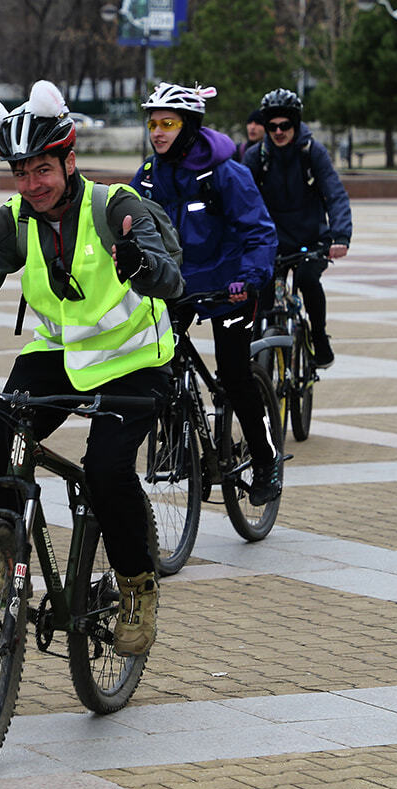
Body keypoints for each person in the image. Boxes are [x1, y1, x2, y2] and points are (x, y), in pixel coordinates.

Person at [0, 80, 183, 657]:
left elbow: (171, 278)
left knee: (105, 469)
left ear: (69, 161)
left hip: (131, 361)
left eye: (41, 170)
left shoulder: (116, 206)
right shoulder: (12, 220)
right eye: (20, 173)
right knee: (3, 428)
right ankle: (3, 560)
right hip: (59, 354)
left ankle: (136, 586)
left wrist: (141, 264)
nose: (31, 185)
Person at [130, 82, 281, 507]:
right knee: (159, 362)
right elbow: (123, 224)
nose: (157, 132)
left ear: (189, 126)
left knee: (234, 375)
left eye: (168, 123)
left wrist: (250, 278)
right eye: (153, 123)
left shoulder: (225, 174)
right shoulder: (147, 176)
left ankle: (265, 458)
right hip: (176, 286)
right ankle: (175, 436)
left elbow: (259, 232)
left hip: (229, 286)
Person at [243, 88, 352, 369]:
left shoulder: (312, 152)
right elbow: (239, 200)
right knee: (262, 294)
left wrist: (340, 236)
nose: (279, 132)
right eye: (272, 126)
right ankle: (255, 358)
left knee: (306, 280)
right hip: (271, 241)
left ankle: (318, 337)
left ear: (296, 124)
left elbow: (334, 193)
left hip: (310, 239)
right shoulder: (257, 157)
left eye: (285, 125)